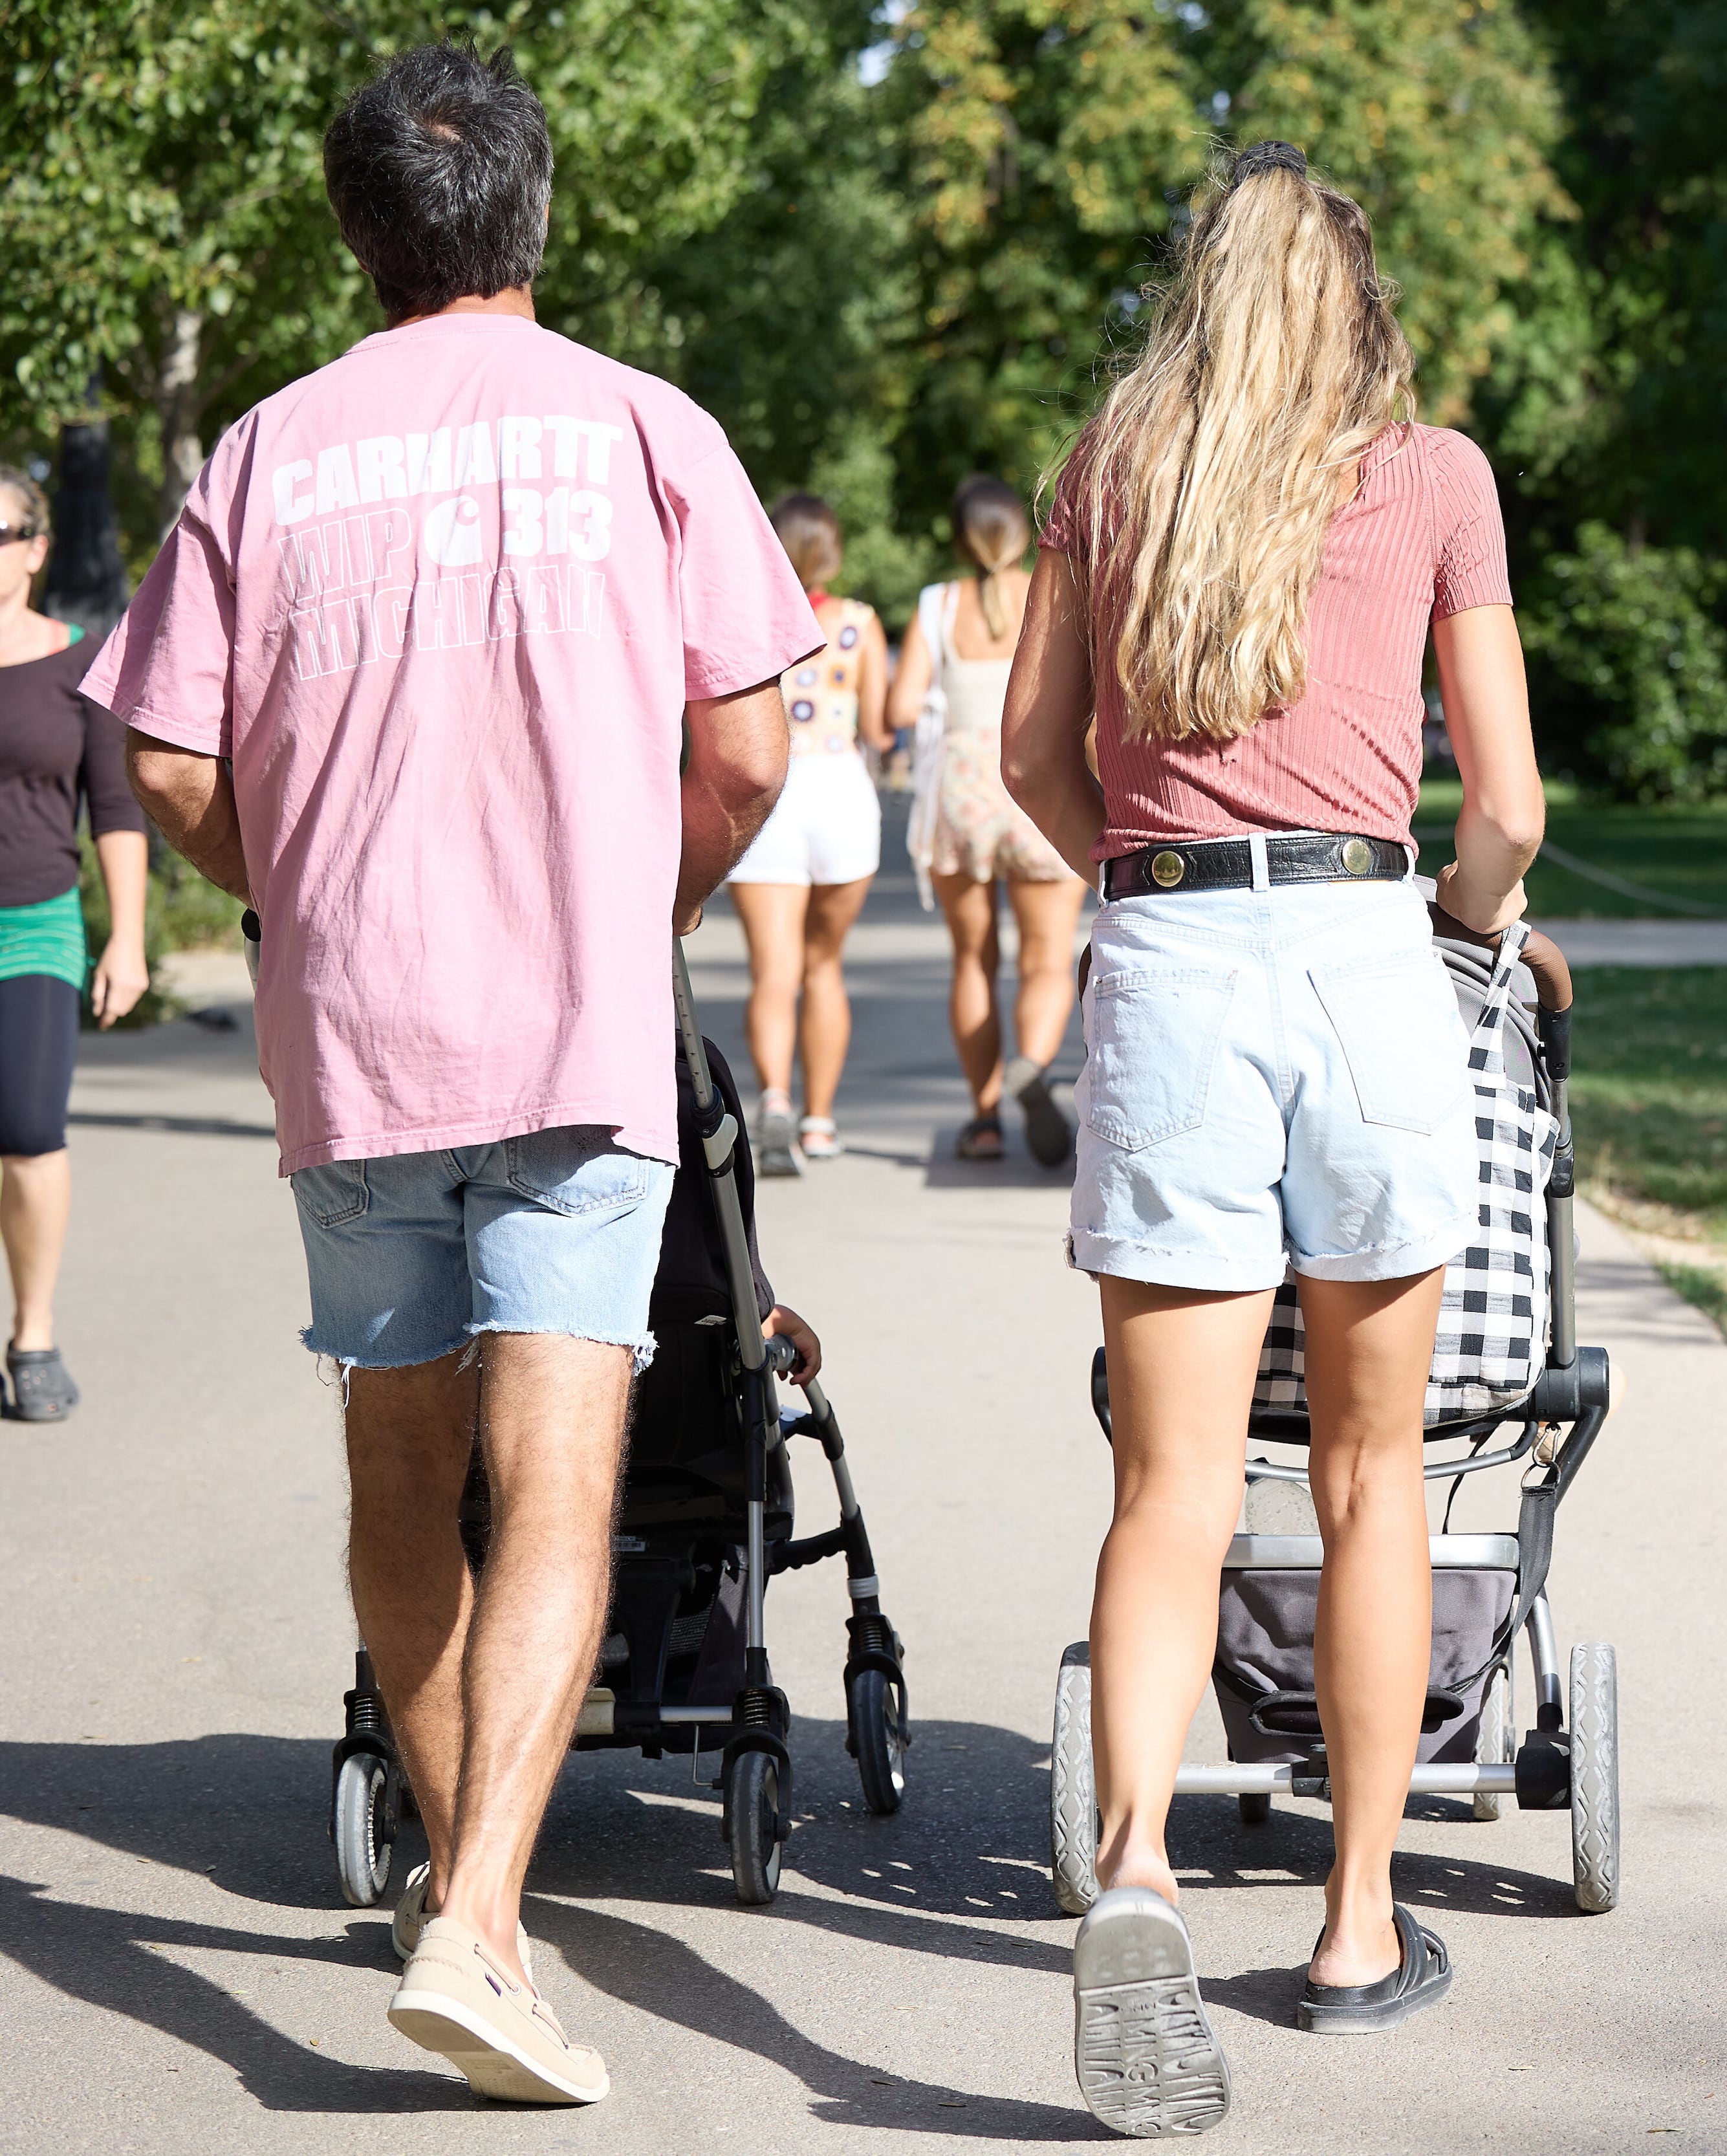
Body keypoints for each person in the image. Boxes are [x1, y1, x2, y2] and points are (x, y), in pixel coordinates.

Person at [95, 45, 811, 2107]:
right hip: (575, 1041)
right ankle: (486, 1918)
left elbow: (160, 762)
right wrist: (632, 893)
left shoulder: (261, 454)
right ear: (539, 212)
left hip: (360, 1040)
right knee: (564, 1481)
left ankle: (459, 1887)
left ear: (356, 230)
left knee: (401, 1474)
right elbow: (750, 748)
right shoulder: (646, 429)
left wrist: (287, 889)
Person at [1001, 139, 1546, 2135]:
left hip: (1170, 957)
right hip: (1360, 947)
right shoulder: (1432, 476)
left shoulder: (1111, 466)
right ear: (1356, 301)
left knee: (1164, 1484)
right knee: (1369, 1465)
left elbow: (1025, 760)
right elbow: (1503, 806)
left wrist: (1146, 889)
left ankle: (1136, 1867)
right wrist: (1467, 938)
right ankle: (1351, 1921)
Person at [0, 471, 151, 1421]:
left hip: (35, 921)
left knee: (25, 1132)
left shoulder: (81, 662)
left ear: (35, 545)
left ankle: (35, 1333)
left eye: (0, 529)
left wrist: (127, 938)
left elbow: (119, 805)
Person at [889, 475, 1082, 1164]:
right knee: (1045, 960)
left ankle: (984, 1119)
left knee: (972, 958)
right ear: (1023, 534)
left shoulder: (938, 605)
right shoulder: (1053, 592)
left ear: (960, 538)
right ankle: (1032, 1061)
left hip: (962, 790)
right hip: (1039, 784)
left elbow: (901, 708)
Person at [728, 494, 889, 1173]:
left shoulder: (743, 617)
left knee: (774, 971)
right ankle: (820, 1122)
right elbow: (879, 726)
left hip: (770, 794)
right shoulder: (857, 623)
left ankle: (773, 1101)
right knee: (825, 966)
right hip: (840, 793)